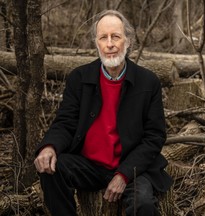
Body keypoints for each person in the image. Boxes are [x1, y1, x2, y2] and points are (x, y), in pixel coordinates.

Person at [34, 9, 173, 216]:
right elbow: (65, 122)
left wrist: (124, 174)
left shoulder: (148, 82)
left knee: (143, 204)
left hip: (133, 168)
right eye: (103, 37)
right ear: (96, 42)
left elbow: (154, 137)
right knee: (52, 168)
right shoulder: (79, 78)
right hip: (90, 165)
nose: (110, 44)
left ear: (128, 41)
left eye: (116, 36)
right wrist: (49, 146)